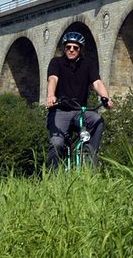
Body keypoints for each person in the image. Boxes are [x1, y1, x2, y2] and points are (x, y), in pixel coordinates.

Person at [46, 31, 114, 169]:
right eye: (68, 47)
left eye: (75, 48)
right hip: (60, 110)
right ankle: (52, 175)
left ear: (80, 49)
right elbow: (53, 79)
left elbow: (97, 83)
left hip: (80, 111)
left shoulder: (88, 64)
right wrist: (51, 95)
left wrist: (106, 98)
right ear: (64, 48)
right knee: (57, 143)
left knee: (97, 120)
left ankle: (90, 155)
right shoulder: (56, 62)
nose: (71, 50)